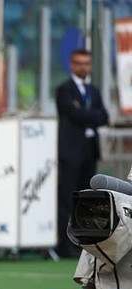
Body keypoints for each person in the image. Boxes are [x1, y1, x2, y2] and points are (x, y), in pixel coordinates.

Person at [55, 48, 109, 258]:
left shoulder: (93, 91)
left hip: (89, 150)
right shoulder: (64, 90)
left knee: (87, 198)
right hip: (70, 151)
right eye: (79, 63)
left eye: (86, 63)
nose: (83, 67)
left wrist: (85, 114)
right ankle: (64, 244)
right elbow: (73, 114)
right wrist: (91, 115)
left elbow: (104, 116)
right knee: (67, 197)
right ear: (72, 65)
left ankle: (85, 244)